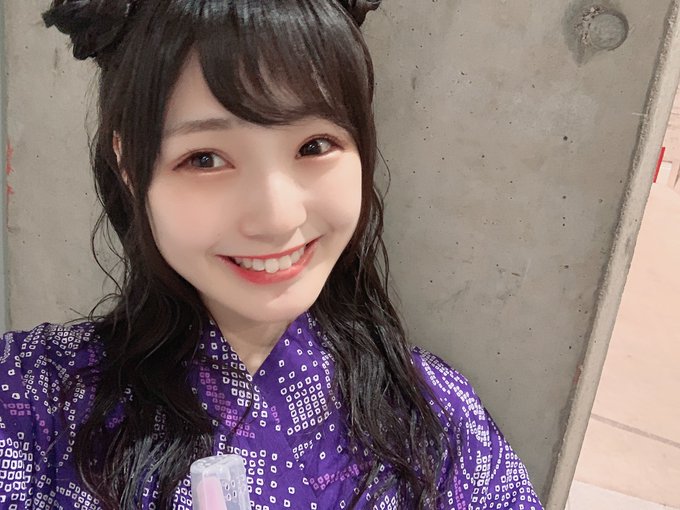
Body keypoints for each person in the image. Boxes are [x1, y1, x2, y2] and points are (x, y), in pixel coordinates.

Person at [0, 0, 544, 509]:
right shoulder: (32, 396)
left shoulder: (436, 416)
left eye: (314, 146)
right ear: (128, 165)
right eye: (205, 158)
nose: (278, 218)